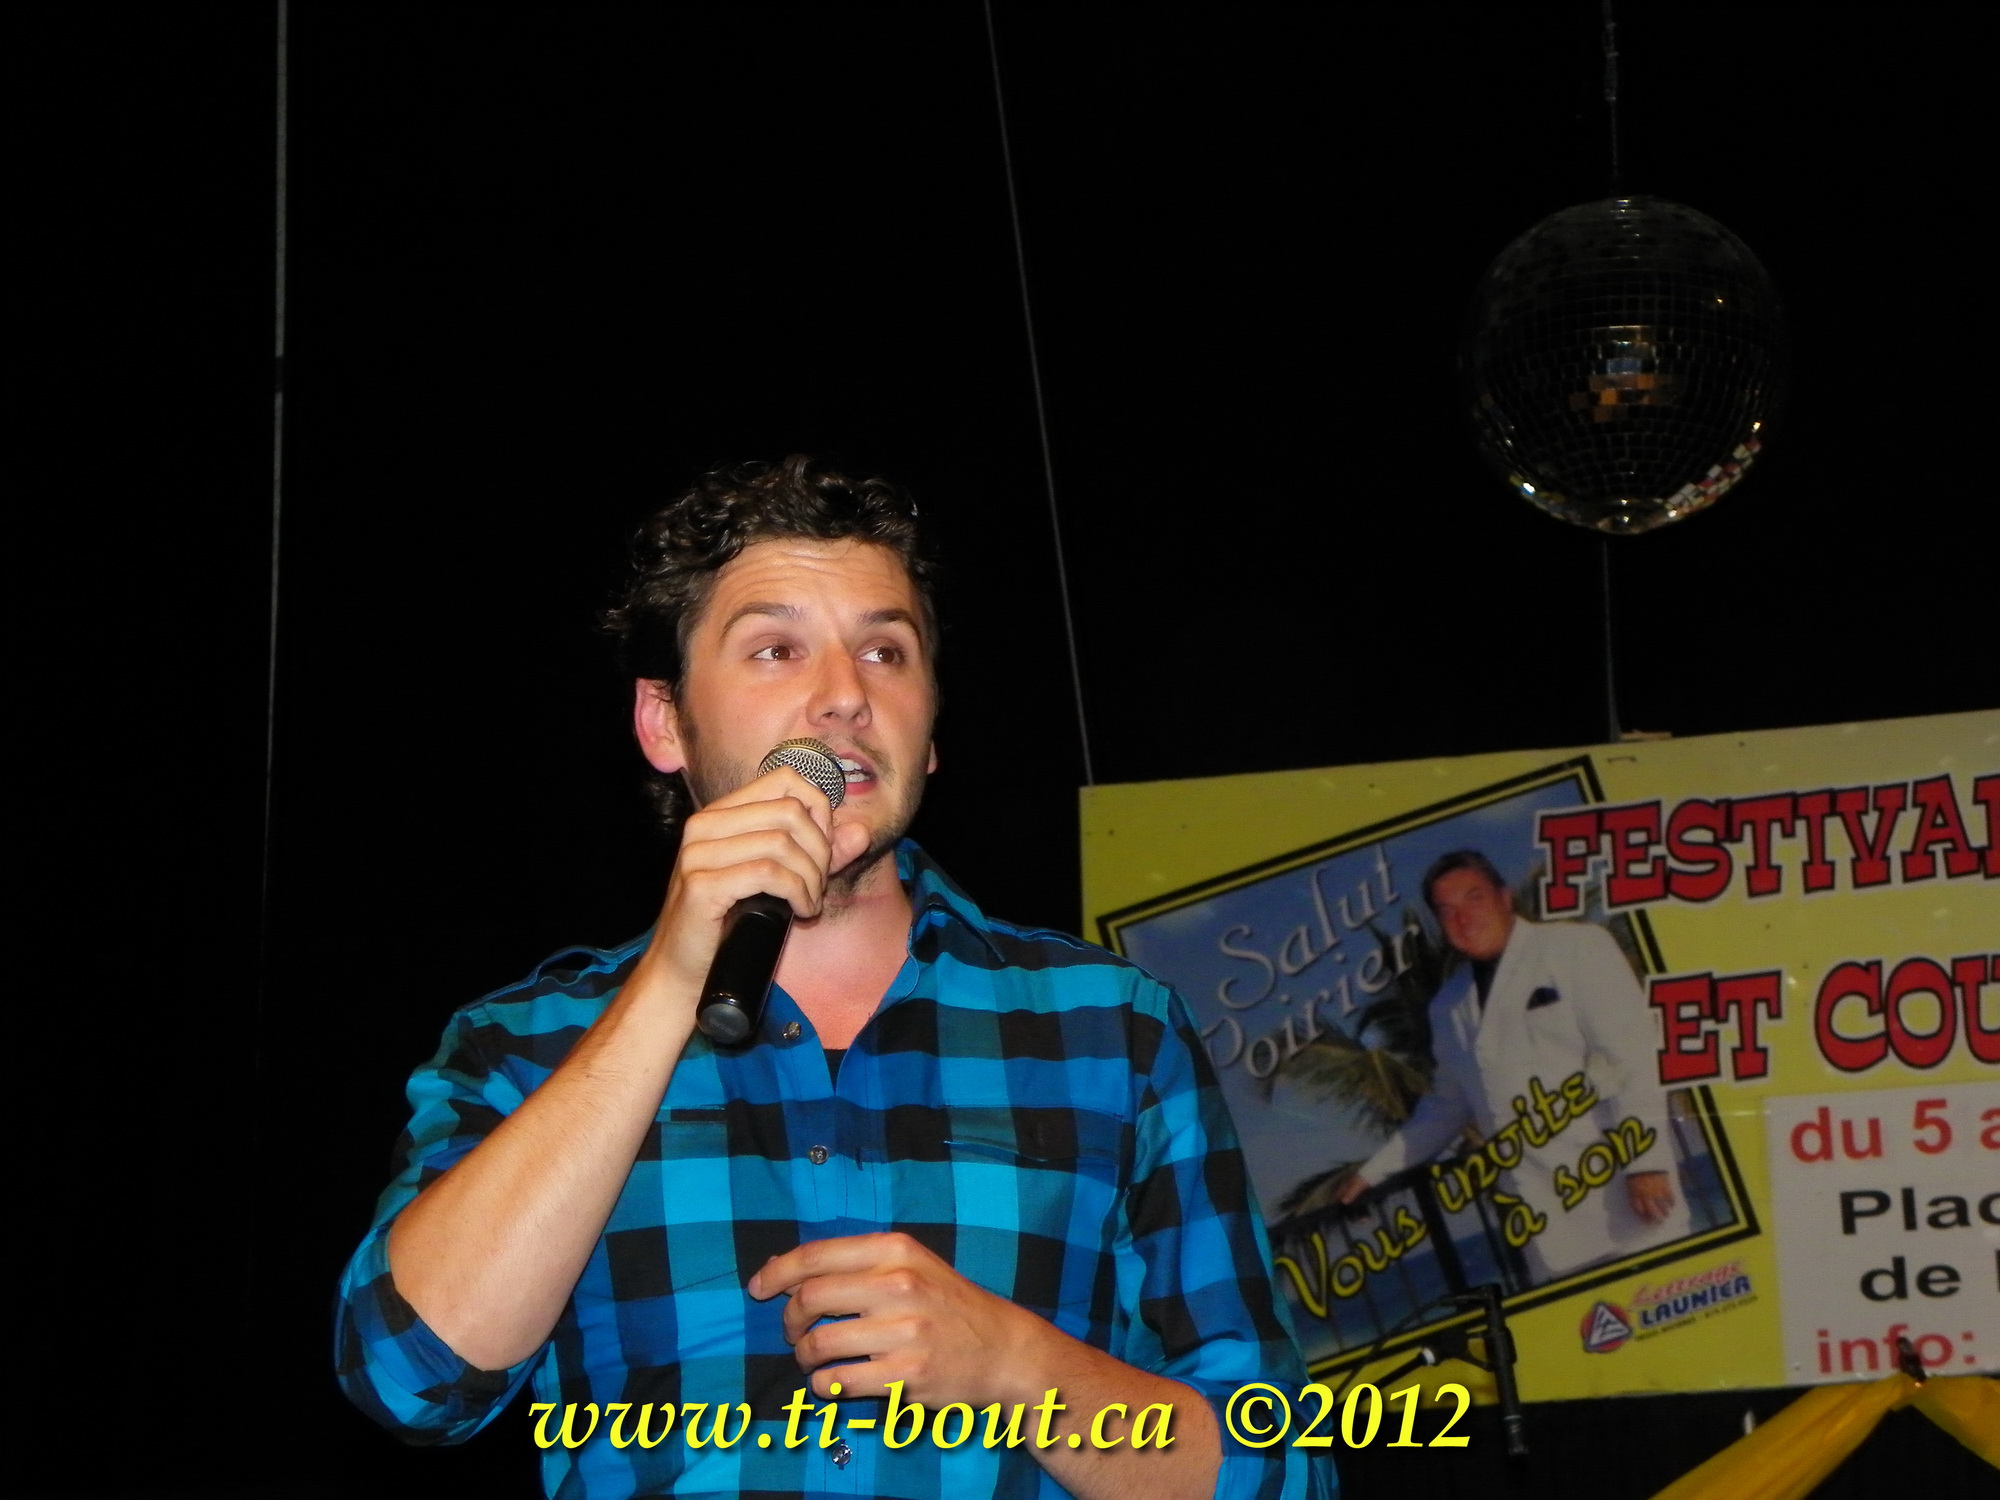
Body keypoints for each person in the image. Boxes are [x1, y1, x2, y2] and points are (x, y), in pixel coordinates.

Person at [333, 456, 1327, 1500]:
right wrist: (669, 984)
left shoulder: (1111, 1029)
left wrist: (1017, 1368)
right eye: (776, 649)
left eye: (885, 652)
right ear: (665, 722)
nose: (845, 696)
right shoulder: (524, 1046)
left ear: (929, 730)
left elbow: (1280, 1472)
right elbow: (407, 1380)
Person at [1335, 849, 1688, 1280]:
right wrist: (1372, 1174)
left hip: (1628, 1200)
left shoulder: (1576, 946)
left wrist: (1646, 1164)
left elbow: (1631, 1057)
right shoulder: (1448, 1005)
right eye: (1447, 910)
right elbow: (1446, 1105)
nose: (1463, 917)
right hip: (1546, 1226)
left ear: (1504, 898)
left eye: (1474, 898)